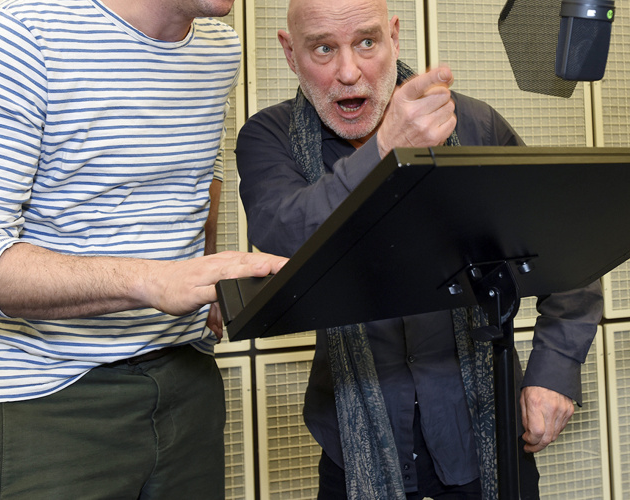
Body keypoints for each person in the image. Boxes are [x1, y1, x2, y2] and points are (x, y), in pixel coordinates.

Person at [0, 0, 287, 498]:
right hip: (48, 398)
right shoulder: (21, 33)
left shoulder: (217, 46)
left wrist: (204, 269)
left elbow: (196, 174)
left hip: (185, 378)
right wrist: (151, 280)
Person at [235, 0, 603, 498]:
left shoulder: (474, 126)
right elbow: (282, 234)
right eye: (323, 48)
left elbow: (569, 249)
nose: (349, 72)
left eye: (366, 42)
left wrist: (554, 372)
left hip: (483, 432)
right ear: (290, 53)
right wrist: (386, 148)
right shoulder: (268, 138)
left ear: (394, 37)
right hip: (352, 443)